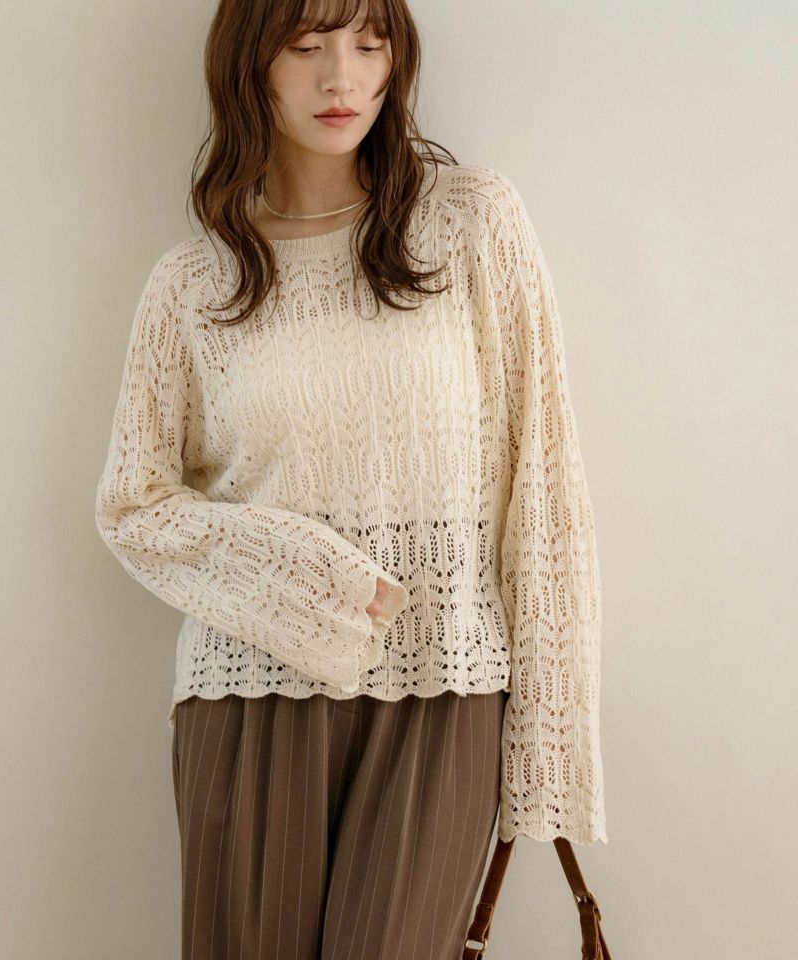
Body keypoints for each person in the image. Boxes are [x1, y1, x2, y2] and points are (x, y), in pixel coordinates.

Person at [94, 1, 607, 957]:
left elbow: (544, 489)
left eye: (370, 44)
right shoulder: (193, 283)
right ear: (250, 63)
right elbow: (133, 506)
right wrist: (315, 576)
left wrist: (549, 737)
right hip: (248, 695)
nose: (343, 78)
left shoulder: (470, 223)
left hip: (445, 687)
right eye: (307, 46)